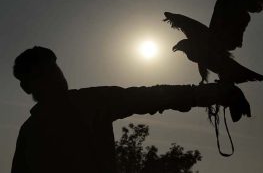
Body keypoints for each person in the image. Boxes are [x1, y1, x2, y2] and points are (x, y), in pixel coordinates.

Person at [11, 46, 248, 173]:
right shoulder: (32, 132)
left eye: (55, 68)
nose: (56, 76)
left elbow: (147, 97)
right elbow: (145, 97)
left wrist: (210, 94)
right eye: (46, 73)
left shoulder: (89, 101)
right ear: (28, 86)